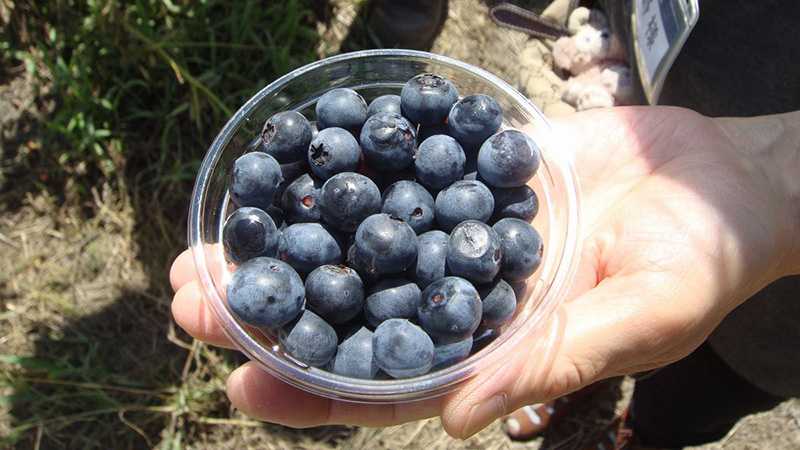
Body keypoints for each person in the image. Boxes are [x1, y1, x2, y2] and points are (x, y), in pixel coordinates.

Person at [170, 2, 800, 448]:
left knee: (704, 391)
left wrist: (768, 182)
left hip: (777, 320)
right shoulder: (339, 189)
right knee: (525, 325)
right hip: (671, 58)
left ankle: (649, 437)